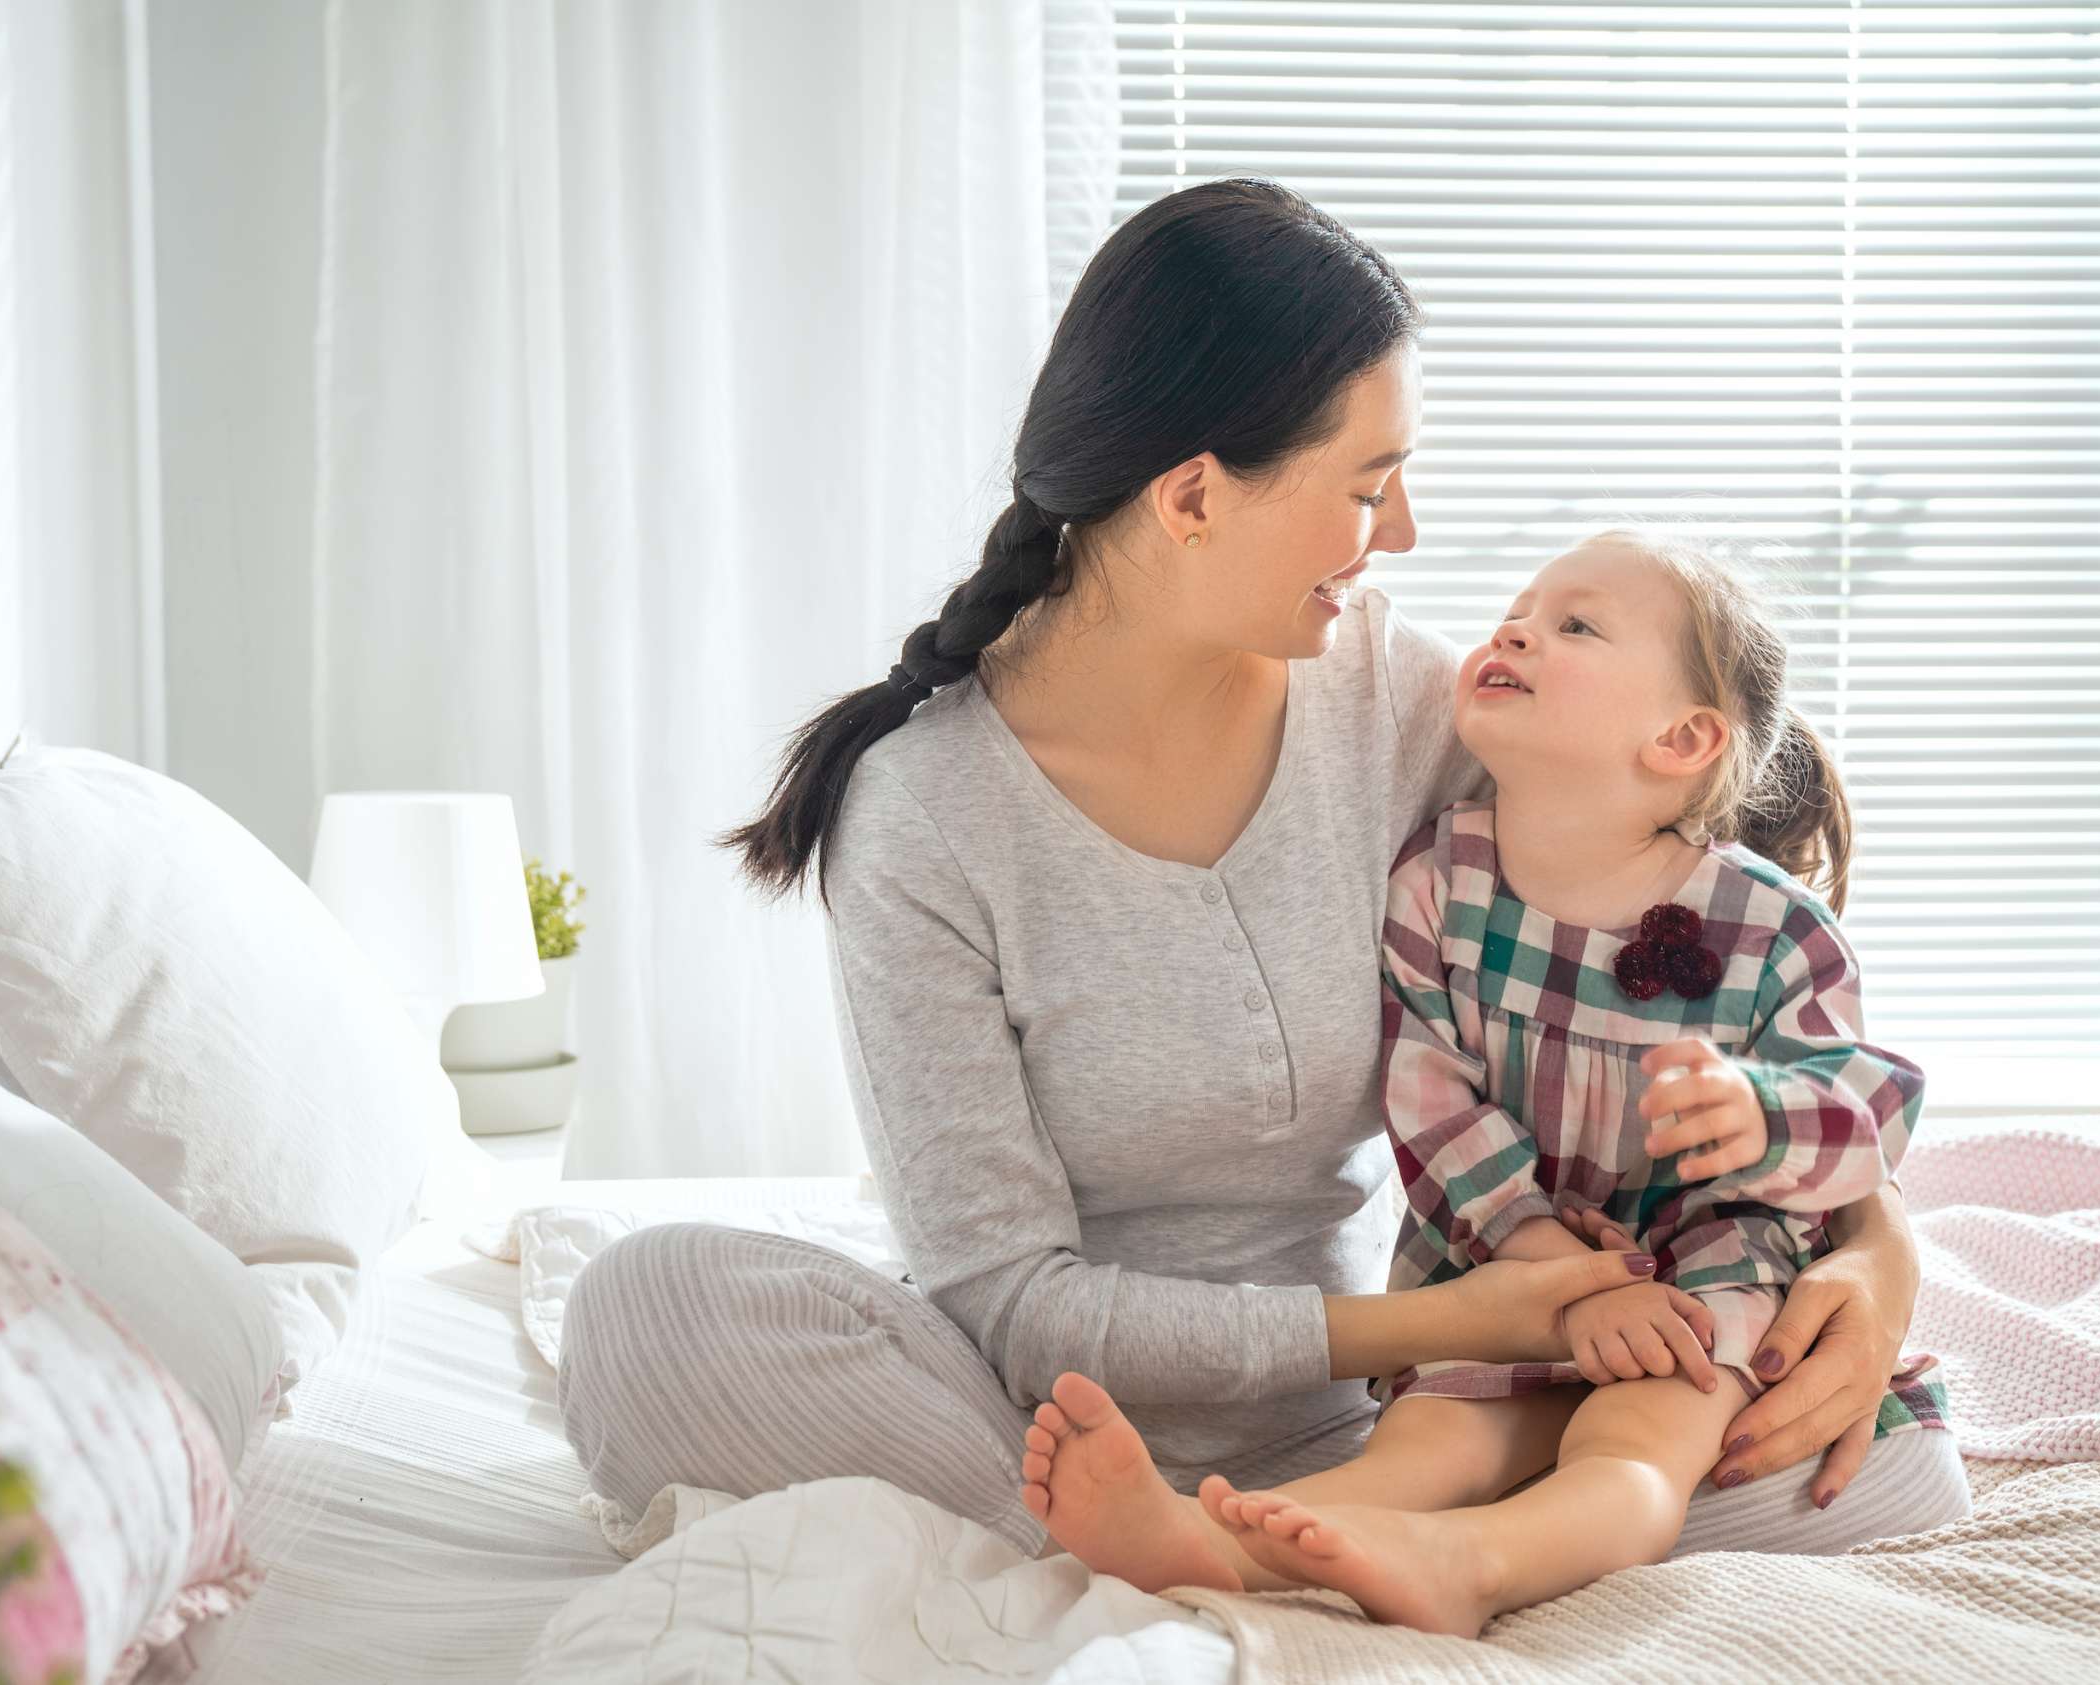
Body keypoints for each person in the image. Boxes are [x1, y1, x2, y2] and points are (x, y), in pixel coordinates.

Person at [554, 178, 1972, 1574]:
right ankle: (1254, 1543)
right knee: (649, 1306)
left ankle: (1272, 1547)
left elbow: (1712, 909)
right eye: (1367, 484)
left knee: (1881, 1464)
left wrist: (1872, 1244)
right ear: (1188, 497)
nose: (1403, 532)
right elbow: (1012, 1300)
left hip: (1402, 1418)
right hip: (1046, 1414)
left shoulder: (1406, 712)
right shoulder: (925, 813)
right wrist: (1494, 1320)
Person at [1020, 528, 1953, 1634]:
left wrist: (1757, 1112)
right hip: (1508, 1256)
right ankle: (1207, 1537)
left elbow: (1868, 1111)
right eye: (1519, 606)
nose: (1515, 626)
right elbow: (1433, 1097)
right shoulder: (1438, 880)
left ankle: (1476, 1561)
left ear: (1683, 736)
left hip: (1706, 1266)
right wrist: (1550, 1264)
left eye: (1575, 625)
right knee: (1434, 1435)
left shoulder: (1773, 928)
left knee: (1634, 1443)